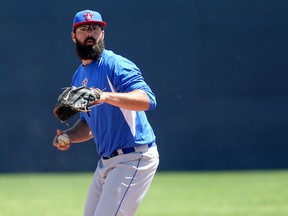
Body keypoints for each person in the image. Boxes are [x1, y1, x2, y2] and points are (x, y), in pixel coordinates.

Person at [52, 9, 159, 216]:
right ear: (74, 36)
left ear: (103, 34)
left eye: (95, 28)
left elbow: (147, 100)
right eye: (84, 29)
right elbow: (88, 125)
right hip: (106, 162)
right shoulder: (79, 76)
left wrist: (105, 96)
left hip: (134, 156)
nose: (90, 33)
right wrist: (69, 136)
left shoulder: (115, 65)